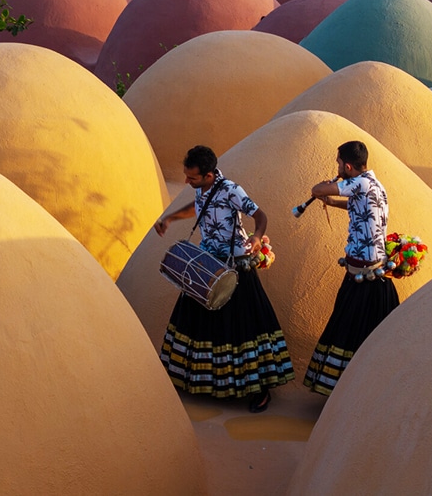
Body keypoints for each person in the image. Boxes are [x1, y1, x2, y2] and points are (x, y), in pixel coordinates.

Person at [154, 145, 294, 412]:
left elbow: (260, 215)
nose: (187, 181)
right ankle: (205, 382)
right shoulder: (201, 189)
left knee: (245, 327)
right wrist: (170, 217)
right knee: (199, 323)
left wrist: (255, 236)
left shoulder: (231, 189)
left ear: (208, 175)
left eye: (192, 177)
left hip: (235, 264)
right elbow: (197, 208)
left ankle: (259, 391)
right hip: (207, 263)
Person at [303, 140, 399, 396]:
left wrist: (325, 188)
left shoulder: (360, 183)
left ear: (347, 165)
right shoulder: (373, 185)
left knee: (351, 333)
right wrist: (333, 202)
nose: (337, 167)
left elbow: (315, 188)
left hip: (366, 279)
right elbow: (359, 207)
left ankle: (354, 391)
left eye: (338, 164)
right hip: (366, 275)